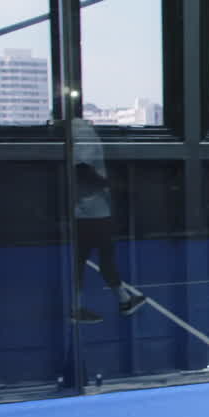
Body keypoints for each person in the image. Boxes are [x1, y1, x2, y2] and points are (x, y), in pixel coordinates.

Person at [72, 117, 146, 324]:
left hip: (84, 210)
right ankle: (120, 300)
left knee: (85, 259)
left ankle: (122, 299)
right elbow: (82, 169)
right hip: (94, 211)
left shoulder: (74, 134)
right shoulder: (84, 134)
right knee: (104, 256)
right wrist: (111, 186)